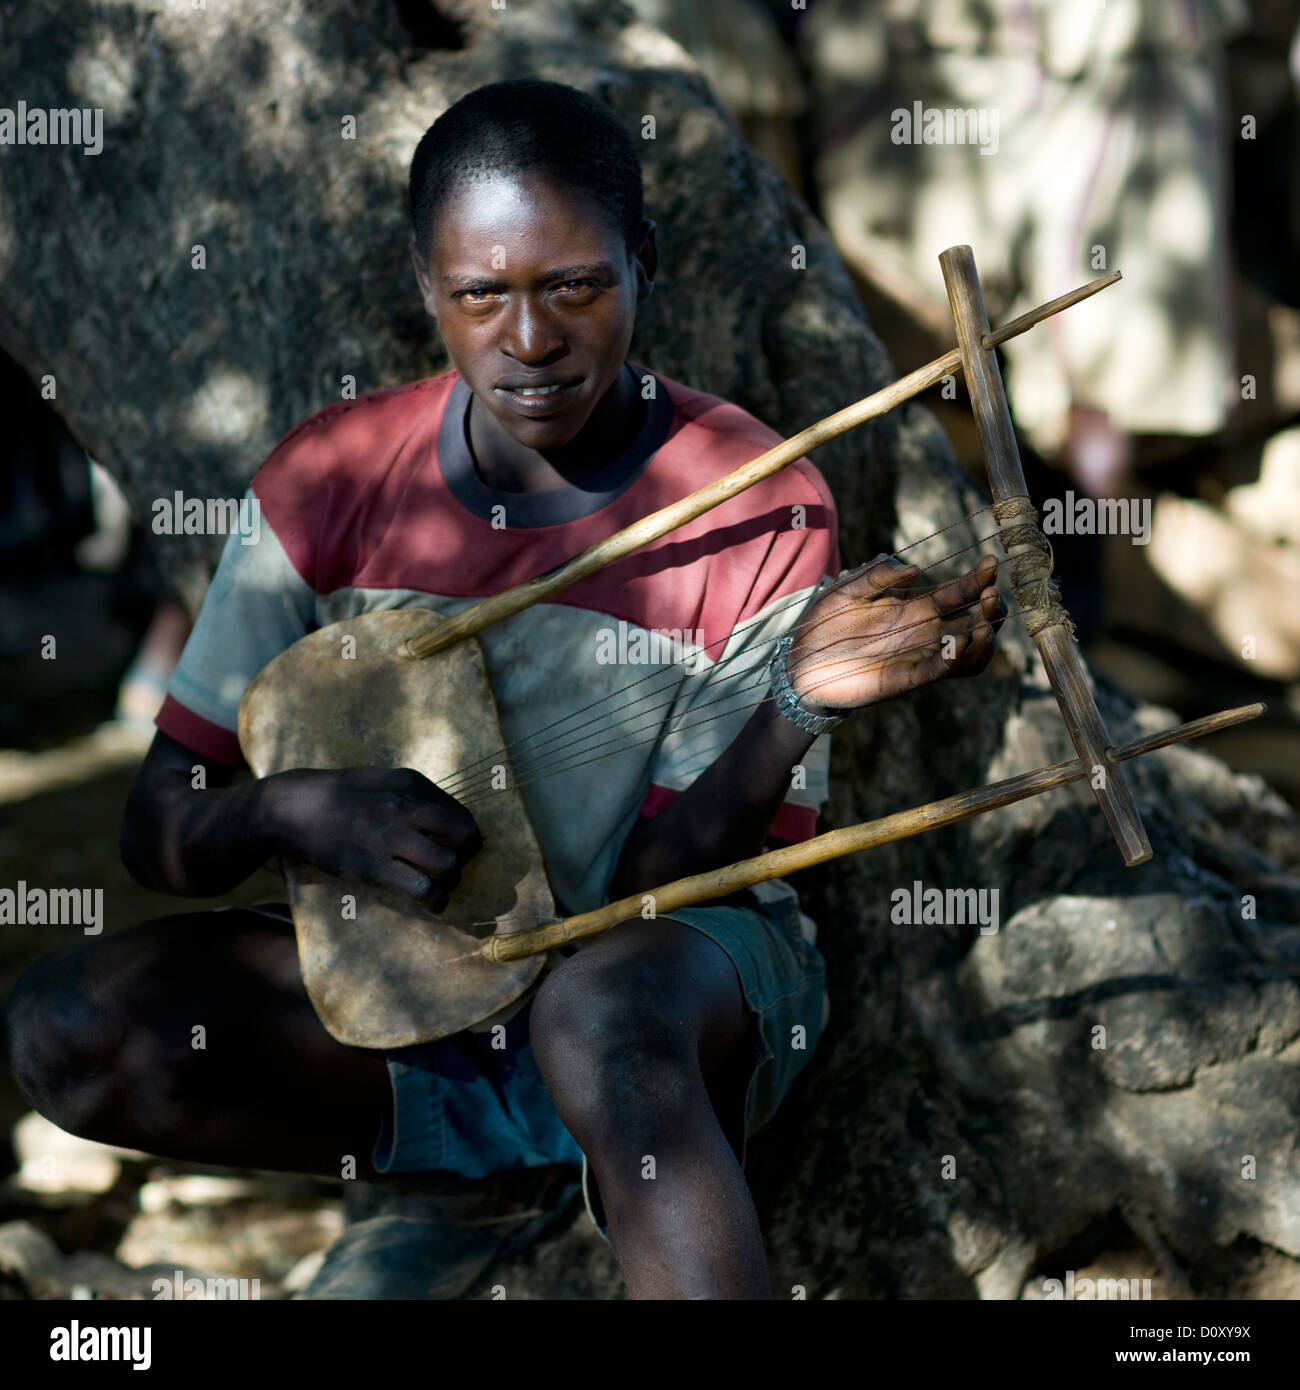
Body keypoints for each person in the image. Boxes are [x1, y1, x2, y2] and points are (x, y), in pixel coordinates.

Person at [3, 80, 1004, 1300]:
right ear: (427, 288)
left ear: (642, 263)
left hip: (666, 982)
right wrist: (291, 811)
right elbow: (162, 830)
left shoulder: (748, 489)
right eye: (481, 294)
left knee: (595, 1013)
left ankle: (583, 1159)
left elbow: (660, 884)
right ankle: (470, 1177)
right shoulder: (328, 479)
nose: (528, 340)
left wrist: (794, 705)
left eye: (574, 285)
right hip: (414, 986)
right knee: (64, 1025)